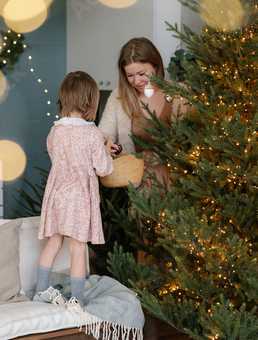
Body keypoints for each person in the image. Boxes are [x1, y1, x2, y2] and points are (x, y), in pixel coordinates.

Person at [35, 71, 114, 306]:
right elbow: (103, 169)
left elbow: (56, 157)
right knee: (78, 248)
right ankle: (76, 300)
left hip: (57, 195)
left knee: (54, 243)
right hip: (79, 198)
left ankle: (41, 291)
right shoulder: (92, 133)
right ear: (91, 101)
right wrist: (107, 152)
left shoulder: (55, 131)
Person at [99, 37, 181, 190]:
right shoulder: (119, 97)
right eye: (130, 75)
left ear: (156, 66)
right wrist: (105, 145)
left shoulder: (177, 95)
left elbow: (194, 141)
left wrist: (163, 155)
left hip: (179, 184)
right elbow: (103, 134)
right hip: (139, 186)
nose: (136, 81)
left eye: (142, 73)